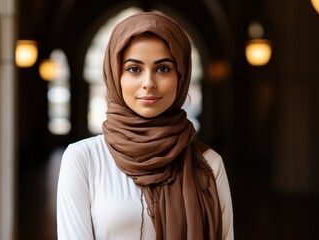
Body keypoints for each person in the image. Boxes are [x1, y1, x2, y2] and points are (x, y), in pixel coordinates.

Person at [56, 11, 234, 240]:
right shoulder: (83, 159)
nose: (149, 83)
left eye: (163, 68)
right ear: (115, 75)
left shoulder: (208, 164)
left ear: (181, 77)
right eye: (134, 69)